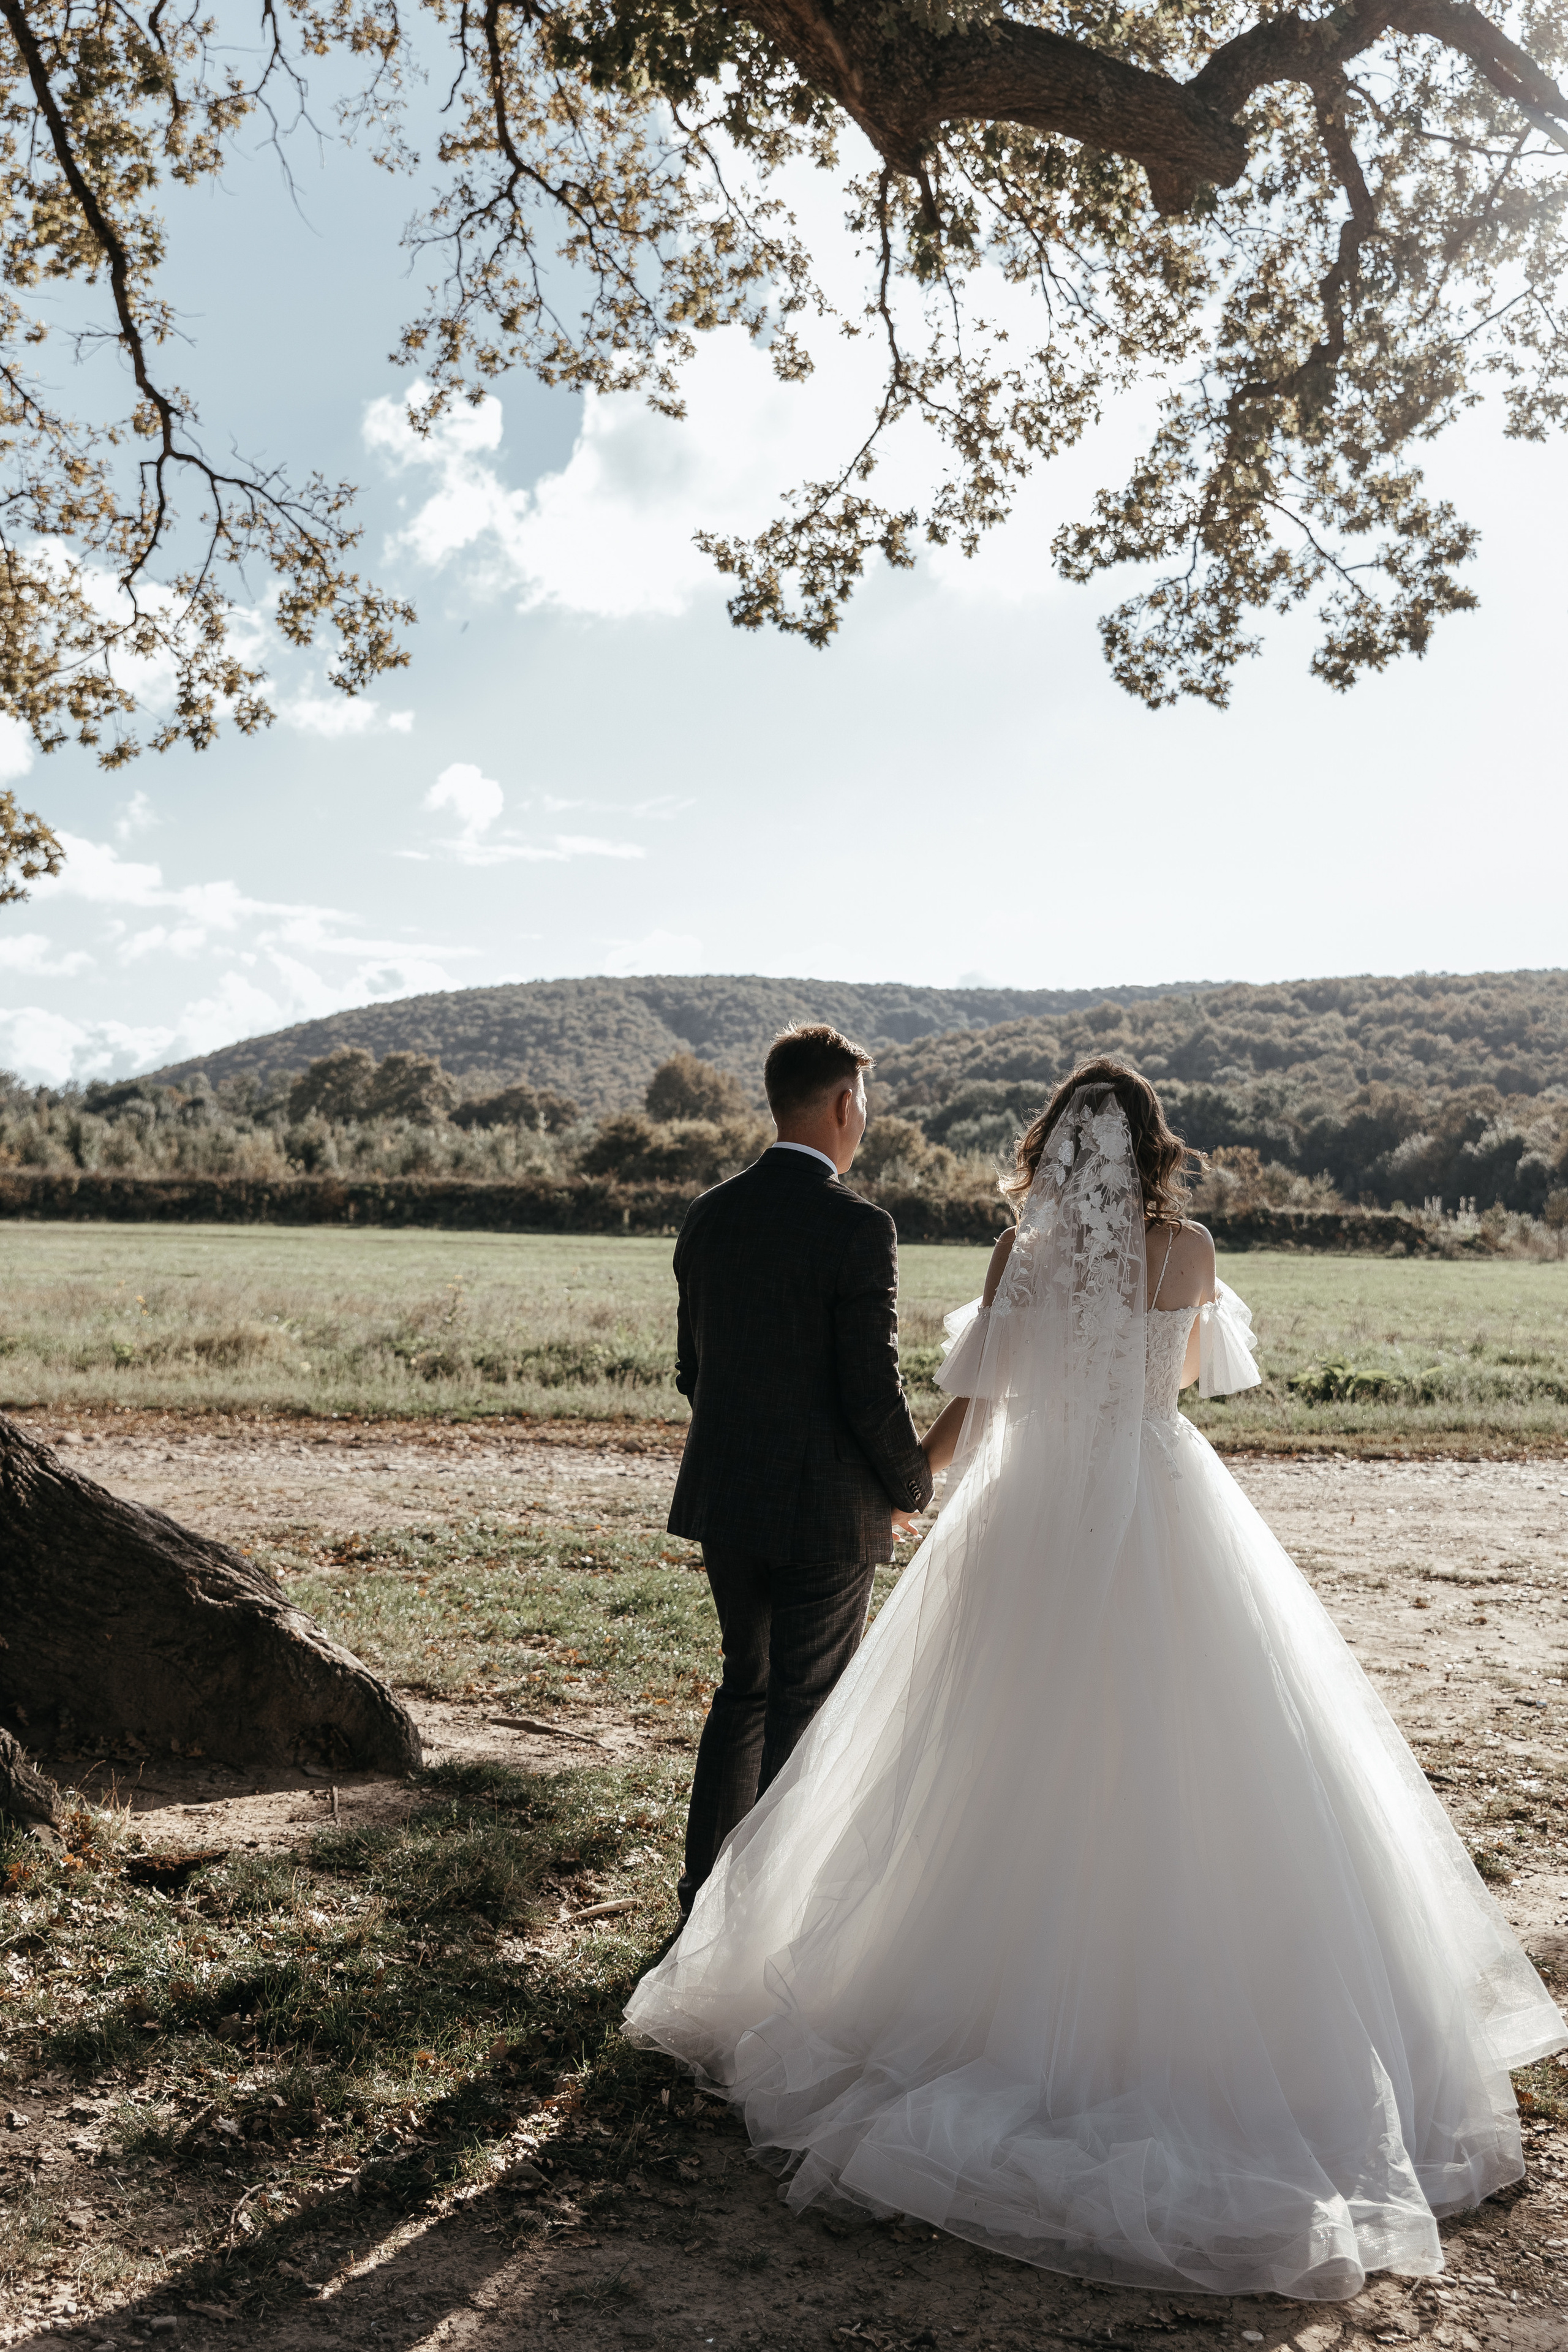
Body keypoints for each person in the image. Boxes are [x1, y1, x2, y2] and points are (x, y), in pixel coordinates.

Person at [627, 1058, 1566, 2301]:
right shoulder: (1186, 1252)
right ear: (1147, 1147)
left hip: (1024, 1510)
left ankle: (930, 1990)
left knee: (986, 1743)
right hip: (1153, 1501)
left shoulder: (1016, 1253)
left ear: (1052, 1145)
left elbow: (976, 1396)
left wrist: (918, 1478)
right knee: (1193, 1742)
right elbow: (1178, 1384)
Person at [662, 1022, 933, 1930]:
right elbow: (870, 1391)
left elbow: (693, 1371)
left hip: (727, 1499)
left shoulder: (710, 1214)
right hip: (824, 1515)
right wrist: (910, 1486)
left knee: (744, 1686)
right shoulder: (859, 1228)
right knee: (805, 1709)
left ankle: (704, 1901)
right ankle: (769, 1923)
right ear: (845, 1103)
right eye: (867, 1104)